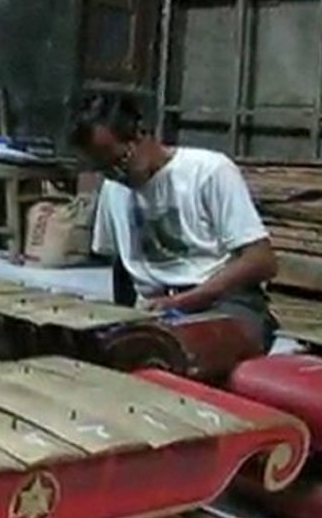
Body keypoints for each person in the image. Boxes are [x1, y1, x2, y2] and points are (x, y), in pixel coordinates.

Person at [70, 94, 278, 351]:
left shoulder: (209, 171)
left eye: (119, 162)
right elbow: (121, 264)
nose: (116, 175)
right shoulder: (114, 189)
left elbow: (262, 261)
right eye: (104, 169)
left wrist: (185, 301)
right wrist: (120, 319)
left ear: (141, 135)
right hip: (160, 309)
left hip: (224, 303)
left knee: (174, 354)